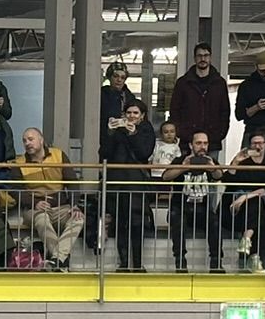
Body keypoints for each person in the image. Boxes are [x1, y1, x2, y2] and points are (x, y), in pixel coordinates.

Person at [11, 128, 83, 270]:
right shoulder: (18, 163)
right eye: (24, 141)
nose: (27, 143)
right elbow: (15, 190)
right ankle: (61, 260)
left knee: (78, 218)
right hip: (33, 209)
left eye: (31, 139)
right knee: (42, 219)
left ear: (41, 140)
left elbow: (72, 182)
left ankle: (57, 259)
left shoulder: (58, 155)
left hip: (61, 207)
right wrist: (35, 203)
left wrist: (74, 205)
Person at [100, 101, 158, 271]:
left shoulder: (146, 130)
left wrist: (133, 134)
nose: (131, 116)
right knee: (120, 222)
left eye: (135, 113)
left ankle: (138, 264)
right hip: (117, 182)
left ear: (142, 116)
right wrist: (110, 132)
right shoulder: (117, 130)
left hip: (136, 182)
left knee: (137, 222)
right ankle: (123, 263)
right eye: (129, 113)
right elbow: (104, 153)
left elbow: (144, 153)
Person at [166, 130, 225, 272]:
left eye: (205, 143)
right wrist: (184, 167)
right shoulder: (180, 160)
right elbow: (166, 176)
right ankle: (180, 261)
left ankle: (216, 262)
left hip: (202, 209)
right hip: (180, 207)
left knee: (215, 221)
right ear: (191, 145)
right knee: (177, 220)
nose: (202, 146)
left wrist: (212, 168)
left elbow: (219, 176)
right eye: (198, 143)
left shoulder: (210, 160)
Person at [221, 131, 265, 272]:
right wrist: (236, 161)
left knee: (256, 206)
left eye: (260, 143)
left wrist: (245, 197)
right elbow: (227, 181)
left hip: (254, 206)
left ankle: (247, 241)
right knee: (257, 209)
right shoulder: (243, 163)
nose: (257, 146)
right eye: (254, 143)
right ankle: (254, 256)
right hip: (237, 208)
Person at [166, 44, 230, 162]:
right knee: (185, 171)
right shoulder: (183, 83)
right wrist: (181, 132)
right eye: (199, 55)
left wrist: (220, 134)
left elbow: (225, 111)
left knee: (211, 171)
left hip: (212, 140)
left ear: (210, 57)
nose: (203, 59)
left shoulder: (219, 83)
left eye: (206, 55)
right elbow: (175, 109)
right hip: (187, 140)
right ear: (195, 58)